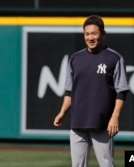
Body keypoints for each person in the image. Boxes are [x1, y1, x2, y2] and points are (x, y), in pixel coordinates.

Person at [53, 15, 129, 167]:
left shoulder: (114, 58)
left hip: (102, 123)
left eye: (94, 33)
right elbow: (69, 91)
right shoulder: (75, 59)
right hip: (77, 122)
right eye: (87, 34)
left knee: (107, 164)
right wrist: (62, 112)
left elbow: (122, 91)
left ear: (103, 34)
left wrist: (115, 117)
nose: (90, 37)